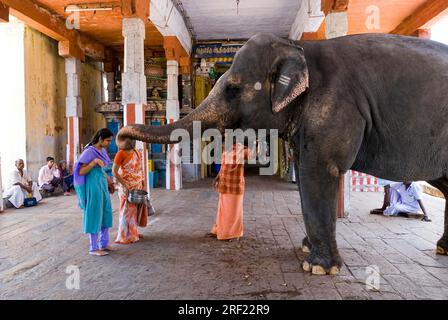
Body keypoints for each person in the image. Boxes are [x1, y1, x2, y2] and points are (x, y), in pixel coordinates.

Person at [74, 128, 115, 256]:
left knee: (106, 211)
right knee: (94, 212)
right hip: (93, 185)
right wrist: (93, 162)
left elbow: (103, 170)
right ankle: (93, 247)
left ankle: (104, 243)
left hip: (102, 183)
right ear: (100, 139)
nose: (109, 143)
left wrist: (110, 182)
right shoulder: (89, 152)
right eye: (108, 141)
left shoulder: (102, 151)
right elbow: (79, 171)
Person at [209, 142, 254, 241]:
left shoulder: (241, 151)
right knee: (223, 211)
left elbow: (252, 154)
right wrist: (217, 178)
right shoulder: (226, 152)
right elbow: (223, 167)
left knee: (234, 212)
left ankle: (232, 234)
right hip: (224, 186)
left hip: (235, 187)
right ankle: (220, 230)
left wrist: (256, 143)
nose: (222, 144)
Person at [112, 137, 147, 244]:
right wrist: (124, 184)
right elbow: (114, 171)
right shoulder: (121, 154)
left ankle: (133, 231)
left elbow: (140, 169)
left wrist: (143, 183)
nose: (132, 142)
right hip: (126, 186)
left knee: (135, 209)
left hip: (137, 184)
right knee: (126, 210)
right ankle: (125, 236)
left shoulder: (137, 152)